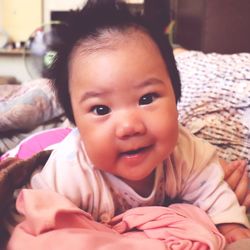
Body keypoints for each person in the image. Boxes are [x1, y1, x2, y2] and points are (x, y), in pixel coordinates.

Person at [29, 0, 250, 245]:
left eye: (146, 98)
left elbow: (213, 190)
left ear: (176, 96)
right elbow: (39, 219)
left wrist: (231, 226)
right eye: (101, 109)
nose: (129, 126)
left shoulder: (184, 152)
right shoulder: (70, 172)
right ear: (76, 124)